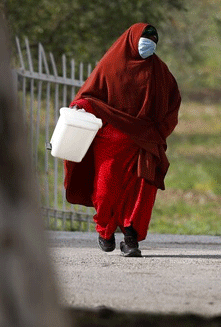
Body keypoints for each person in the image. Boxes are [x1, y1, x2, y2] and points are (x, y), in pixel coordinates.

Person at [63, 23, 181, 257]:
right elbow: (89, 96)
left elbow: (173, 103)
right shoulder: (110, 65)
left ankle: (131, 238)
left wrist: (159, 132)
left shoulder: (160, 71)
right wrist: (80, 108)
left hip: (145, 143)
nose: (149, 43)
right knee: (106, 190)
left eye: (153, 39)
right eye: (145, 38)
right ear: (131, 39)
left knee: (140, 192)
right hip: (111, 142)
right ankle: (105, 230)